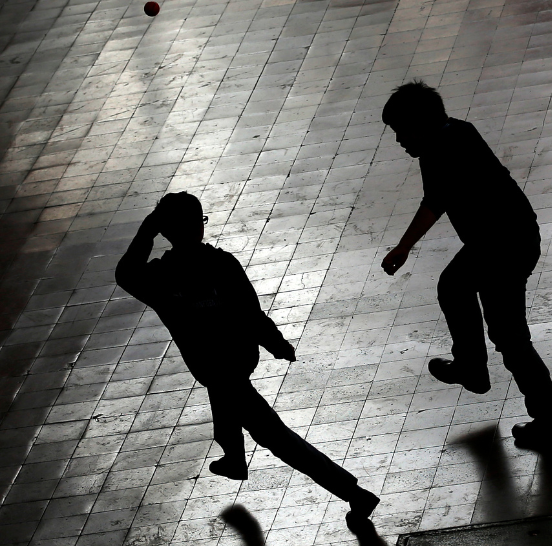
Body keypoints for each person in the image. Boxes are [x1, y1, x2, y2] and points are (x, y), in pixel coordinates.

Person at [115, 192, 379, 526]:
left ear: (164, 231)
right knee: (227, 391)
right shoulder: (222, 263)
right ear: (200, 226)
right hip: (239, 357)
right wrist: (274, 341)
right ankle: (233, 456)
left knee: (273, 436)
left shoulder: (159, 278)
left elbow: (125, 274)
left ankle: (354, 493)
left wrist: (147, 230)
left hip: (212, 364)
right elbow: (250, 311)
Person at [379, 81, 552, 450]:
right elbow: (438, 197)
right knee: (458, 289)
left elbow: (435, 201)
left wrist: (404, 246)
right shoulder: (456, 133)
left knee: (509, 337)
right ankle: (474, 367)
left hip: (501, 246)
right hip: (503, 239)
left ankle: (549, 417)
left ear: (419, 125)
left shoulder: (443, 147)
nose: (399, 140)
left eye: (401, 131)